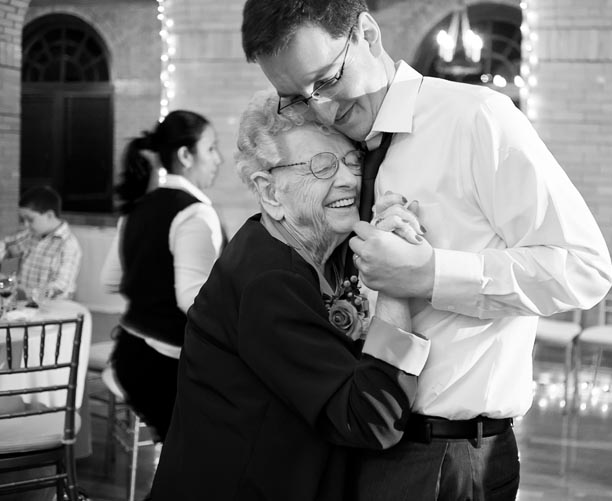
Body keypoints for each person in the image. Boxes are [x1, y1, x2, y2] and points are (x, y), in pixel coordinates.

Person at [241, 0, 612, 500]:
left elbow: (584, 269)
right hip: (360, 437)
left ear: (367, 34)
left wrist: (432, 274)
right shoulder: (345, 150)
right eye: (299, 97)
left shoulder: (477, 120)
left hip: (451, 454)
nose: (321, 109)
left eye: (327, 80)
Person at [149, 91, 431, 500]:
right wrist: (395, 283)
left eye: (352, 161)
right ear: (270, 193)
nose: (349, 179)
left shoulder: (313, 252)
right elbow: (373, 418)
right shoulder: (269, 282)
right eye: (321, 166)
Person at [100, 110, 223, 442]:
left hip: (128, 357)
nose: (218, 159)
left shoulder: (137, 207)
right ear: (185, 155)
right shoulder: (196, 213)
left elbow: (109, 280)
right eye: (211, 149)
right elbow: (192, 301)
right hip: (165, 368)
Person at [0, 185, 81, 301]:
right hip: (24, 300)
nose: (26, 225)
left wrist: (29, 295)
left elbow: (60, 287)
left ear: (49, 215)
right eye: (23, 220)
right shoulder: (29, 235)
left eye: (30, 219)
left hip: (51, 308)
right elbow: (7, 246)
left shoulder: (68, 245)